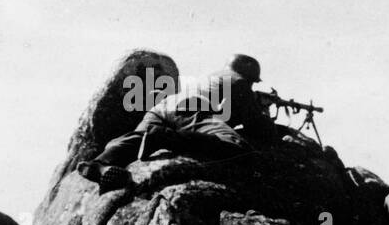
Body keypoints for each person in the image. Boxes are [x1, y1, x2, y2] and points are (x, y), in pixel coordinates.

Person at [78, 54, 281, 192]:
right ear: (249, 75)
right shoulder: (238, 82)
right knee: (238, 148)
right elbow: (260, 130)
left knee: (137, 139)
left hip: (163, 107)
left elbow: (223, 113)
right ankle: (164, 137)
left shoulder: (210, 77)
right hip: (190, 109)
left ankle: (99, 164)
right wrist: (262, 110)